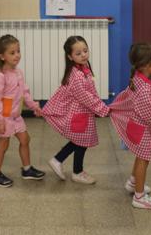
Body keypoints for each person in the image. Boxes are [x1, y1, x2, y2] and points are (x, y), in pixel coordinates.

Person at [109, 43, 151, 209]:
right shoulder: (145, 89)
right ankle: (139, 196)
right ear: (144, 65)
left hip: (136, 126)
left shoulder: (137, 78)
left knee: (140, 155)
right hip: (141, 129)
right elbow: (149, 112)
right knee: (144, 158)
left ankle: (133, 182)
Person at [43, 36, 110, 185]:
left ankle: (64, 163)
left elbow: (91, 92)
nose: (83, 55)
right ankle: (74, 170)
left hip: (83, 113)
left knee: (80, 141)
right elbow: (85, 97)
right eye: (78, 53)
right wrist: (103, 109)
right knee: (80, 141)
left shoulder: (84, 69)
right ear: (70, 56)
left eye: (85, 51)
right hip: (79, 114)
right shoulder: (77, 75)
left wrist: (100, 107)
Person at [0, 34, 45, 187]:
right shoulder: (1, 76)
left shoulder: (18, 72)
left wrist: (34, 106)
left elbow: (25, 92)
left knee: (25, 140)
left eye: (18, 51)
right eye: (12, 53)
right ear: (2, 56)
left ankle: (27, 169)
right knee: (3, 145)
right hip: (4, 115)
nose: (17, 55)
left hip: (15, 115)